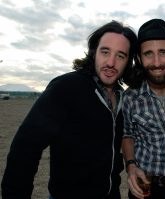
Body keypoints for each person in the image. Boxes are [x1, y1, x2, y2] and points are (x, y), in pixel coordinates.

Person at [1, 20, 137, 199]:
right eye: (105, 52)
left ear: (128, 61)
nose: (111, 62)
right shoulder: (66, 88)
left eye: (120, 56)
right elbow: (25, 149)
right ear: (94, 52)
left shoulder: (122, 96)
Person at [121, 18, 165, 199]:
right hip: (145, 186)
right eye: (148, 54)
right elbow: (127, 134)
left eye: (163, 52)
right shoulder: (131, 97)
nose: (157, 62)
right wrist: (130, 165)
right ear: (139, 58)